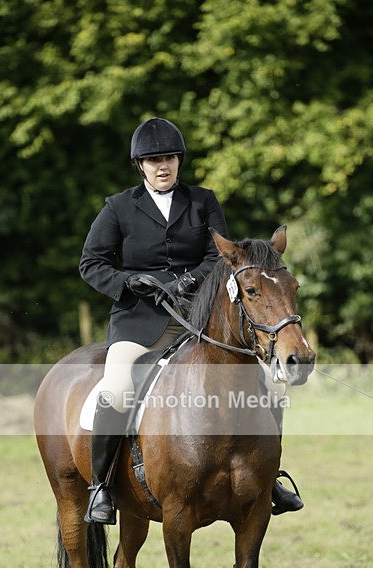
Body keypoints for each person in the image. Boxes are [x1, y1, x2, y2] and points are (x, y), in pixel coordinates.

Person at [79, 117, 302, 523]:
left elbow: (221, 255)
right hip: (138, 321)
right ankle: (100, 488)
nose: (162, 166)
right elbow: (90, 263)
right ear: (140, 166)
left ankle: (269, 480)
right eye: (152, 160)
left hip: (197, 318)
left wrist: (187, 281)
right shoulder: (118, 207)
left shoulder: (203, 200)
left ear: (179, 160)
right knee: (116, 386)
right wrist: (131, 282)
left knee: (264, 384)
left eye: (169, 157)